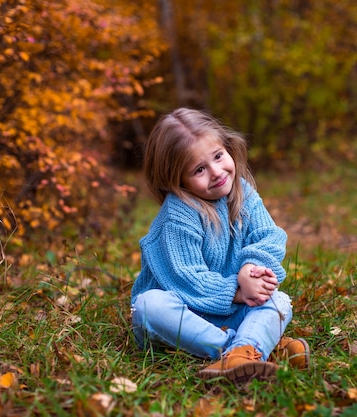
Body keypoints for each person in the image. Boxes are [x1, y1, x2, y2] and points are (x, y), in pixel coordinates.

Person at [130, 108, 309, 383]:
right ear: (176, 180)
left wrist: (251, 268)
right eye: (199, 169)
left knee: (279, 300)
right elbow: (186, 280)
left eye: (218, 156)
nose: (216, 172)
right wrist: (237, 291)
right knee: (148, 305)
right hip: (184, 316)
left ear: (228, 148)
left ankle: (244, 352)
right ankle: (246, 349)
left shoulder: (243, 191)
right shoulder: (177, 216)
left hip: (228, 310)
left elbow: (267, 236)